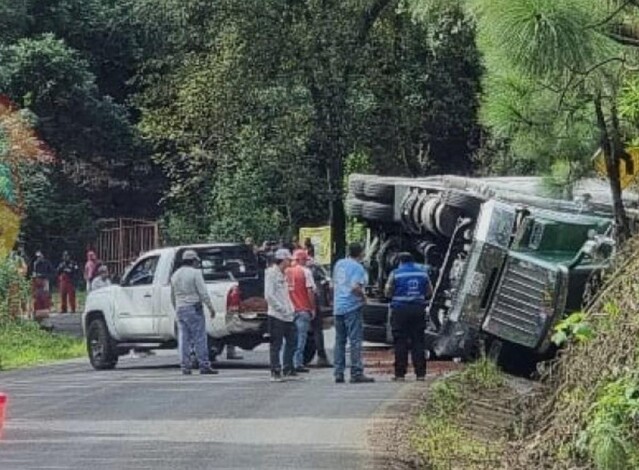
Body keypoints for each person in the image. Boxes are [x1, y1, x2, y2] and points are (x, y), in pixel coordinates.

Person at [385, 252, 432, 382]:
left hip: (400, 311)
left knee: (400, 342)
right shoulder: (423, 273)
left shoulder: (395, 273)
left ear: (400, 262)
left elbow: (388, 292)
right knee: (418, 341)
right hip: (418, 310)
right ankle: (420, 374)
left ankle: (400, 374)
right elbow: (429, 292)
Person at [170, 250, 218, 375]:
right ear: (193, 261)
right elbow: (203, 292)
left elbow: (172, 296)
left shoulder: (175, 275)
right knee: (200, 338)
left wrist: (176, 308)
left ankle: (185, 366)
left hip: (180, 308)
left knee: (183, 339)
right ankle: (204, 365)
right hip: (194, 307)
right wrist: (211, 308)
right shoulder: (195, 273)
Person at [333, 243, 375, 384]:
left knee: (339, 341)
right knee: (355, 341)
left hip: (338, 306)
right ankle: (356, 372)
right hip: (352, 307)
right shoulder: (358, 267)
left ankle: (338, 373)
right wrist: (364, 298)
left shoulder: (339, 264)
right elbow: (355, 286)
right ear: (361, 253)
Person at [265, 248, 297, 382]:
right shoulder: (272, 273)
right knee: (276, 344)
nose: (290, 262)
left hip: (287, 314)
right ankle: (275, 371)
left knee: (292, 341)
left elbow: (285, 294)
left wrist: (291, 308)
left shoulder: (283, 274)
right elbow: (269, 295)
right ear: (283, 260)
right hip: (276, 315)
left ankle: (288, 368)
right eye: (288, 260)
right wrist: (282, 308)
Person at [286, 249, 316, 373]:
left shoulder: (286, 272)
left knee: (288, 339)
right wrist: (312, 308)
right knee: (300, 338)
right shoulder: (306, 272)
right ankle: (298, 363)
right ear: (300, 260)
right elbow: (310, 291)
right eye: (305, 259)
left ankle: (287, 363)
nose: (306, 262)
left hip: (288, 310)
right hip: (303, 308)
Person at [32, 251, 53, 319]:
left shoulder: (47, 262)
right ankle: (38, 311)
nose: (39, 258)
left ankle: (47, 309)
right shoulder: (35, 263)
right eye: (37, 257)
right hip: (38, 280)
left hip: (45, 279)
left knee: (46, 295)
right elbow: (34, 271)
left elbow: (51, 271)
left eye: (40, 256)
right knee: (37, 295)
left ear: (42, 256)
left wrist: (47, 276)